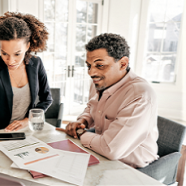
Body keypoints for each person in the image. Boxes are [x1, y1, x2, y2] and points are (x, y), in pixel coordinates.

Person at [0, 12, 53, 164]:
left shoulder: (36, 64)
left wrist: (27, 120)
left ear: (28, 46)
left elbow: (47, 98)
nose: (10, 60)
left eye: (17, 54)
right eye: (4, 53)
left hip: (26, 134)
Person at [62, 33, 158, 168]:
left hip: (133, 168)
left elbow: (111, 149)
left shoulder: (140, 95)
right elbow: (92, 106)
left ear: (123, 64)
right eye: (89, 65)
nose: (91, 72)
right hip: (102, 156)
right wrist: (83, 121)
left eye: (100, 65)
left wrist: (81, 133)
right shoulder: (99, 81)